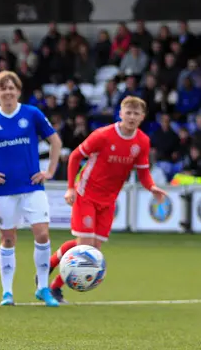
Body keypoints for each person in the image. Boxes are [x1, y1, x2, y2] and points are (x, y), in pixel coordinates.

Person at [47, 96, 167, 304]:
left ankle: (53, 276)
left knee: (93, 251)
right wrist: (70, 188)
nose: (131, 117)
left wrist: (152, 187)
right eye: (127, 112)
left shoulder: (142, 142)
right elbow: (75, 156)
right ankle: (53, 284)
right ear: (120, 114)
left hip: (109, 200)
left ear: (142, 117)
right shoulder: (103, 135)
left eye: (135, 113)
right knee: (84, 247)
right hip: (86, 193)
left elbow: (143, 172)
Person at [0, 71, 63, 307]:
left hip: (33, 187)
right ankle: (7, 292)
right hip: (4, 190)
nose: (8, 92)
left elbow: (55, 141)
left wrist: (50, 171)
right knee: (8, 239)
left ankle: (43, 287)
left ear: (18, 91)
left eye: (12, 88)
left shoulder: (31, 114)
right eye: (3, 88)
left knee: (42, 234)